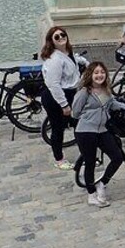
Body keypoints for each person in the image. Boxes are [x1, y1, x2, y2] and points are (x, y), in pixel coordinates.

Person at [72, 62, 125, 208]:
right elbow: (75, 112)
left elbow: (112, 104)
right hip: (86, 131)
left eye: (102, 72)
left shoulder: (106, 91)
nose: (99, 75)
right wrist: (90, 116)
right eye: (96, 73)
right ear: (90, 75)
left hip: (103, 130)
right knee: (90, 163)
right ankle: (91, 194)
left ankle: (103, 182)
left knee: (117, 157)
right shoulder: (84, 92)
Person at [40, 26, 85, 170]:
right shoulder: (54, 59)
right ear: (51, 41)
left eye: (62, 35)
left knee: (79, 124)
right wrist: (64, 105)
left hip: (71, 93)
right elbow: (54, 85)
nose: (61, 38)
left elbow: (75, 61)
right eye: (56, 37)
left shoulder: (67, 52)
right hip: (56, 97)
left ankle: (86, 154)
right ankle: (59, 159)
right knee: (58, 128)